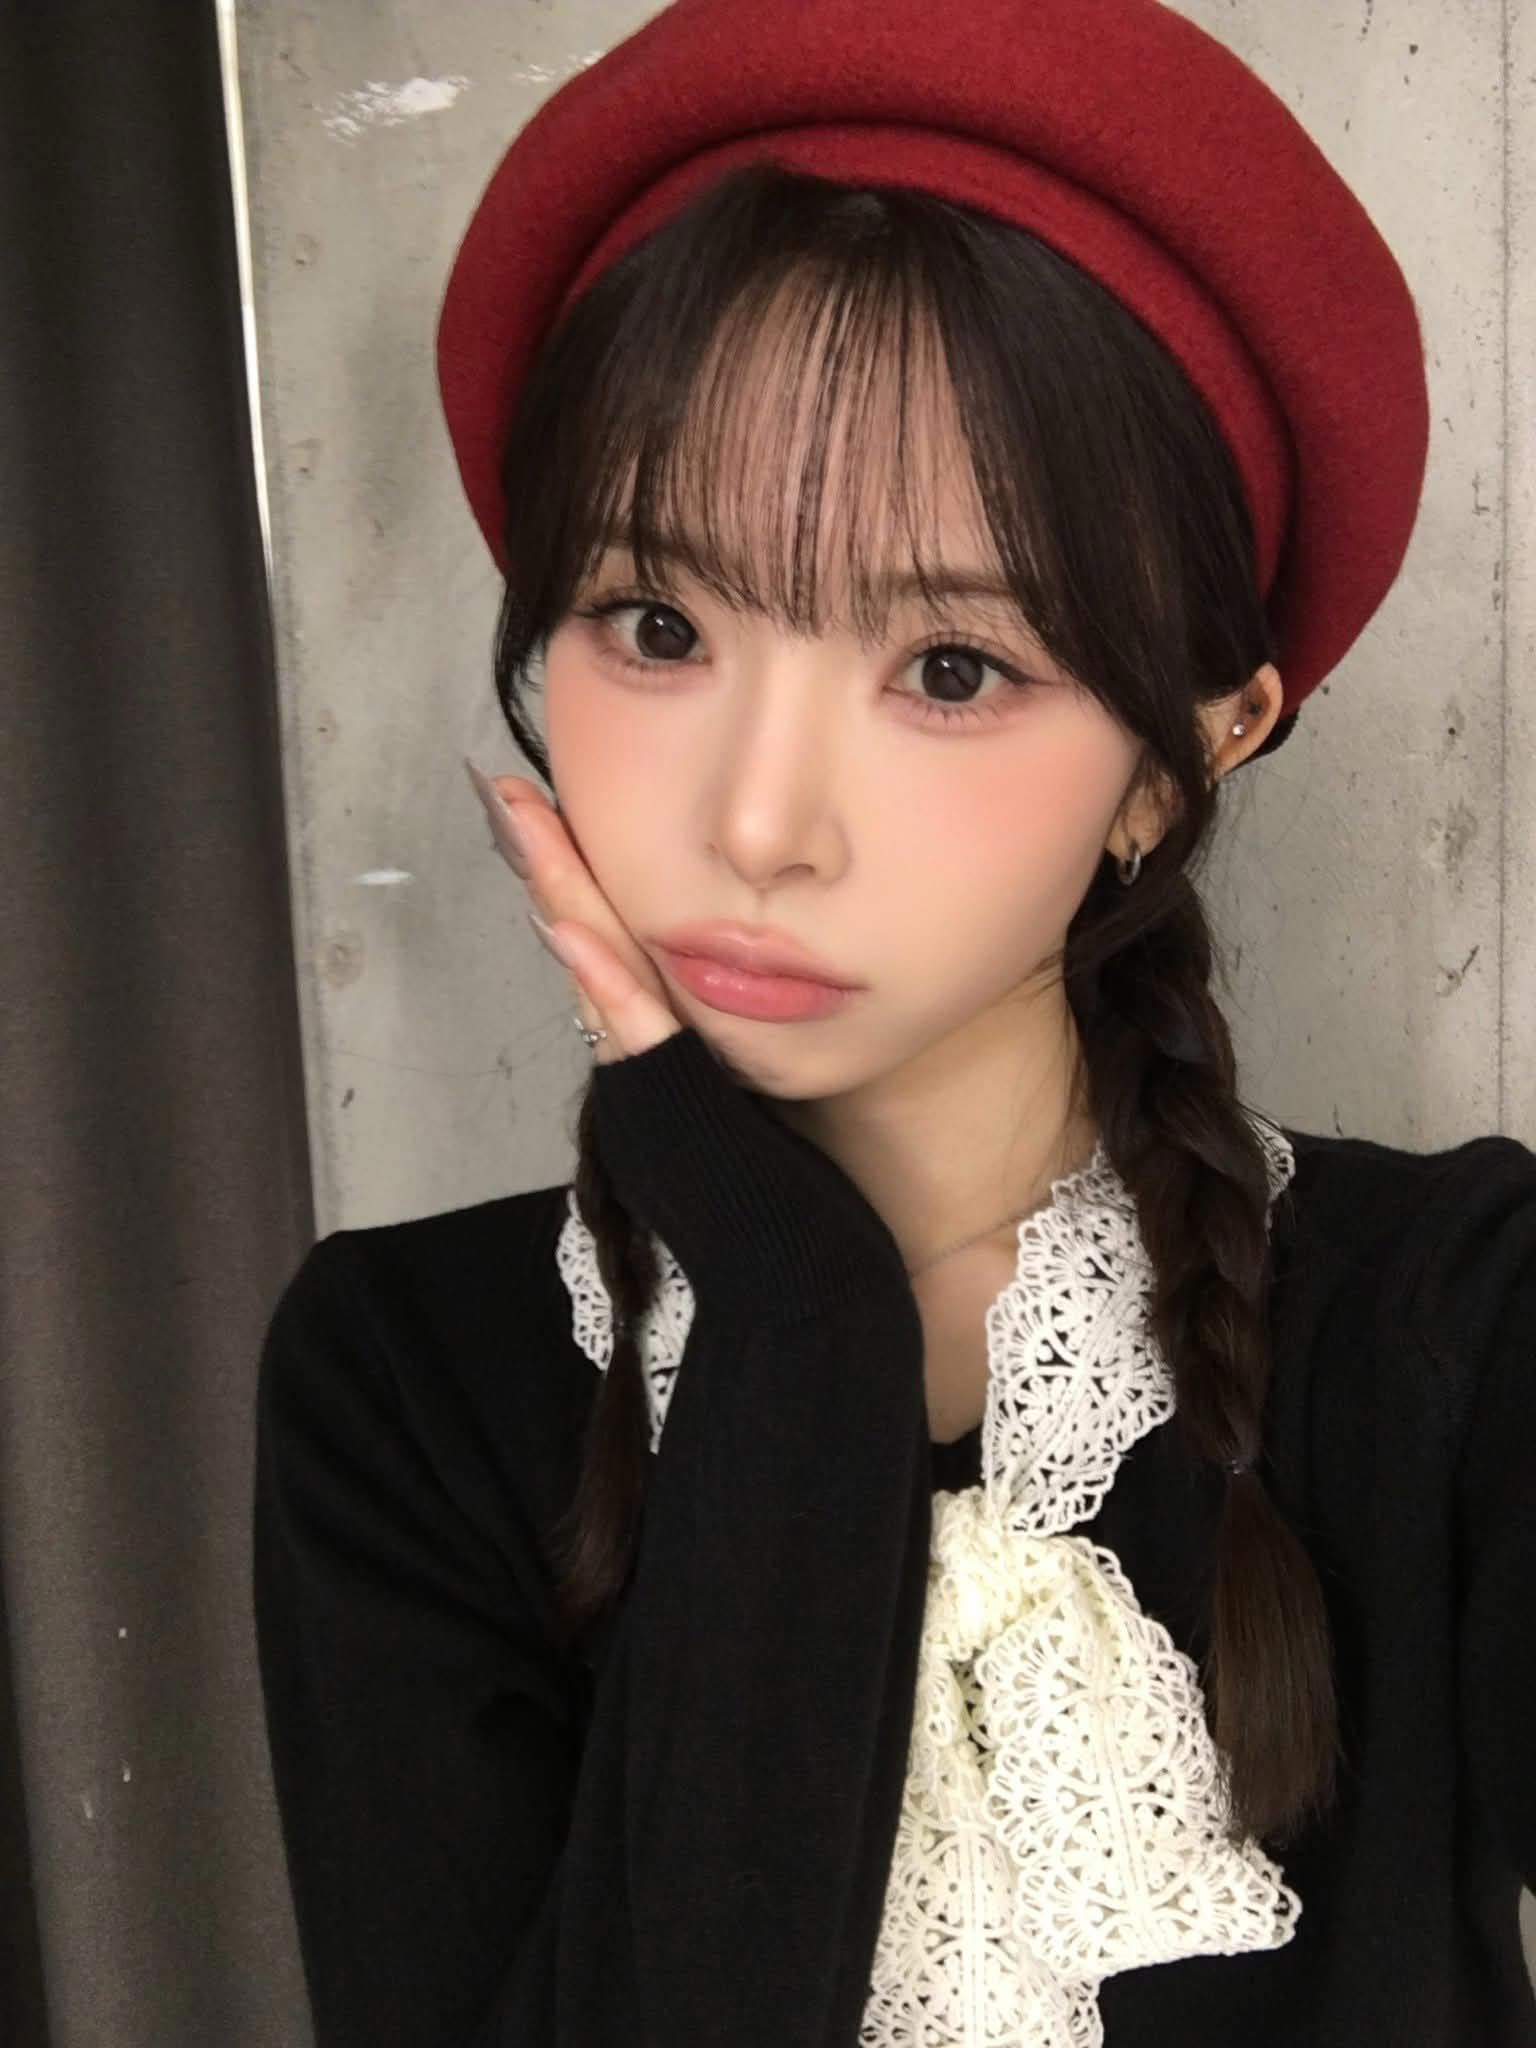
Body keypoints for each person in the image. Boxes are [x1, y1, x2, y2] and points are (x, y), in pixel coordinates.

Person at [250, 0, 1536, 2042]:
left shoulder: (1455, 1333)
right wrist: (799, 1324)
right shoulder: (408, 1383)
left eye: (949, 667)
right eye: (656, 625)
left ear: (1184, 752)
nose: (759, 822)